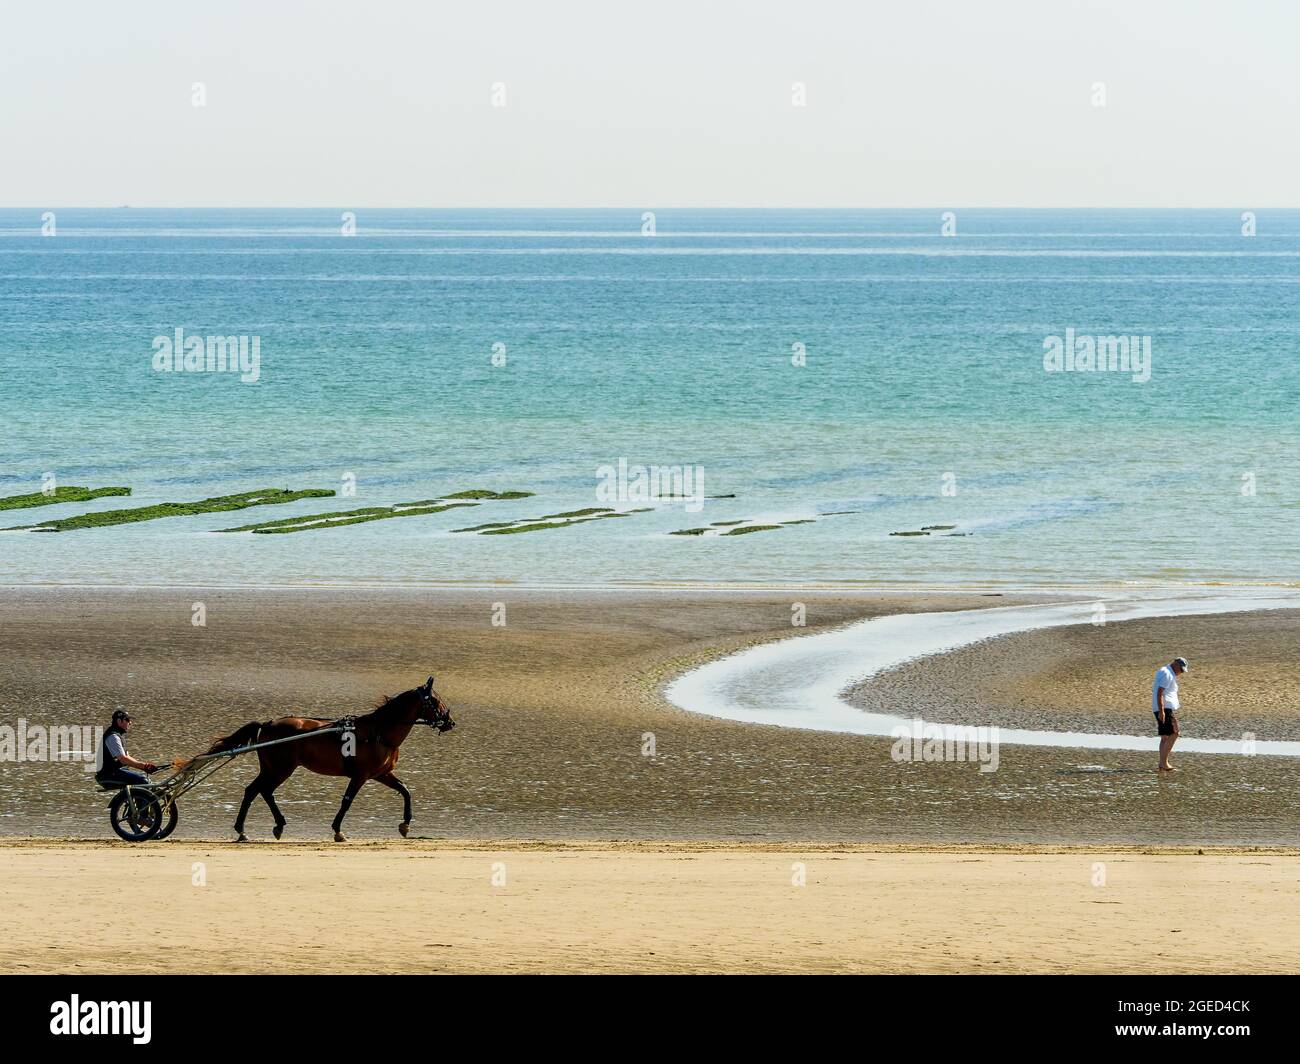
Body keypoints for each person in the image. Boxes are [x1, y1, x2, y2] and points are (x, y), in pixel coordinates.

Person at [95, 710, 158, 787]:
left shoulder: (118, 735)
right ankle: (146, 798)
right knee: (142, 780)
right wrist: (144, 766)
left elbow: (127, 758)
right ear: (119, 721)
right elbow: (123, 759)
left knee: (144, 779)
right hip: (107, 775)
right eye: (127, 720)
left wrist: (145, 767)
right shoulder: (113, 737)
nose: (130, 723)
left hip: (116, 772)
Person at [1152, 657, 1188, 773]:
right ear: (1176, 665)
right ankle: (1164, 763)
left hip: (1161, 708)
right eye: (1181, 670)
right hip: (1165, 709)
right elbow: (1160, 692)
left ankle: (1162, 764)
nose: (1181, 673)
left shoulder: (1165, 671)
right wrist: (1162, 711)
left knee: (1165, 737)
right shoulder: (1167, 674)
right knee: (1175, 732)